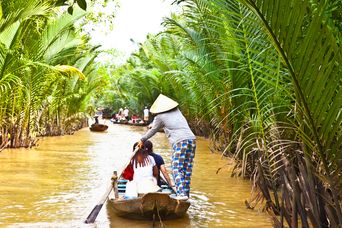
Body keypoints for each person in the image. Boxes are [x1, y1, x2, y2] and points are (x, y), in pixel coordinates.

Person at [138, 94, 196, 200]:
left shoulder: (160, 117)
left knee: (176, 168)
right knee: (187, 168)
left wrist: (142, 140)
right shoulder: (177, 111)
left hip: (180, 141)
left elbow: (153, 130)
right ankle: (185, 194)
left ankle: (181, 194)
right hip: (192, 140)